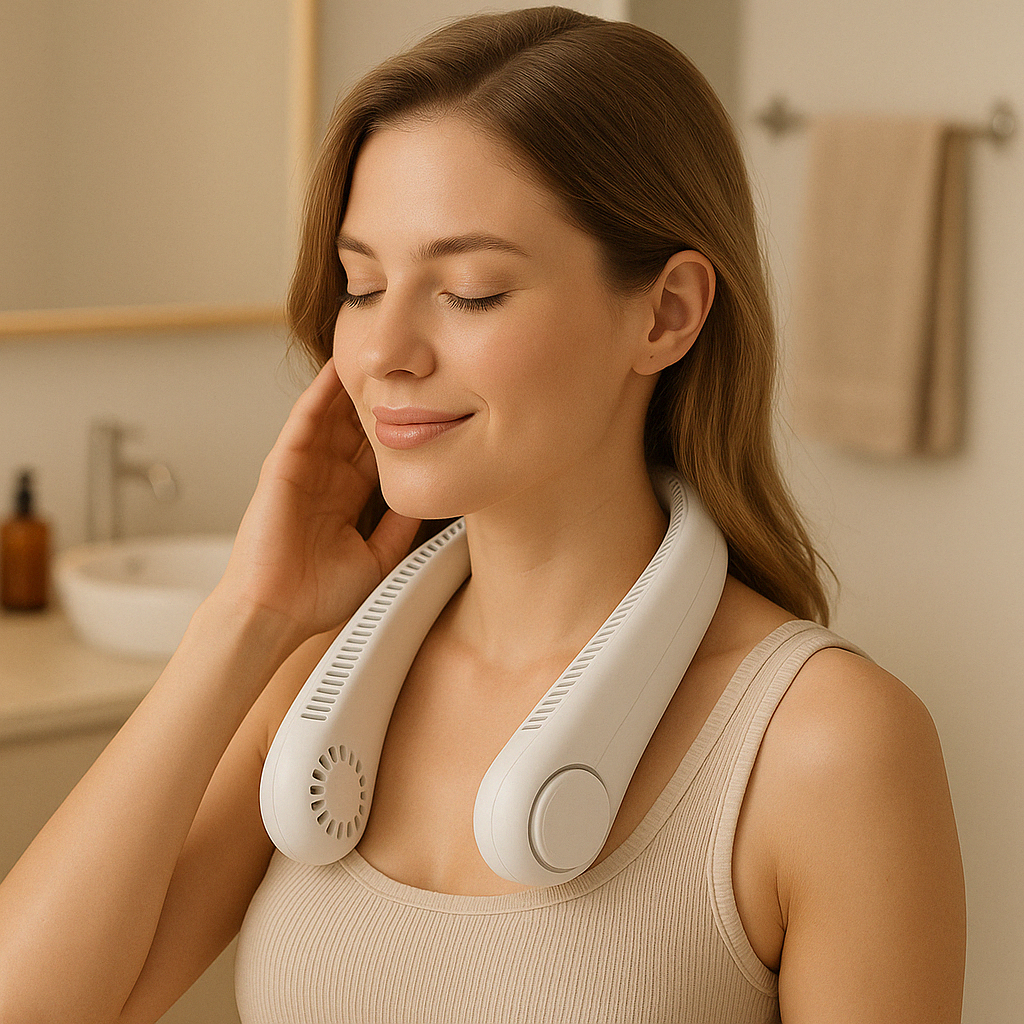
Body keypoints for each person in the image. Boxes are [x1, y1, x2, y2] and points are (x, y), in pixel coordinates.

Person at [0, 7, 965, 1022]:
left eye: (469, 291)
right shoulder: (317, 685)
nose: (383, 351)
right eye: (363, 284)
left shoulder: (823, 742)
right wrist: (243, 615)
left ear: (666, 312)